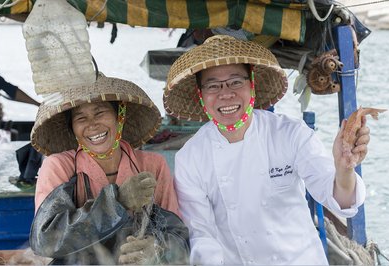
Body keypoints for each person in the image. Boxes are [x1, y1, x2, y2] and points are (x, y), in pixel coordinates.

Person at [163, 35, 368, 264]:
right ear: (201, 96)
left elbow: (337, 197)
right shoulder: (191, 157)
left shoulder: (289, 134)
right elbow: (202, 234)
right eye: (213, 85)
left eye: (235, 81)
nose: (226, 93)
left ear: (252, 85)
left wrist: (344, 170)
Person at [29, 74, 189, 264]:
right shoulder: (60, 166)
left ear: (119, 116)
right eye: (80, 118)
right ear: (72, 128)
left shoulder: (153, 165)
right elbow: (46, 242)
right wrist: (117, 202)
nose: (92, 124)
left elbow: (179, 237)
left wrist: (157, 249)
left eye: (100, 113)